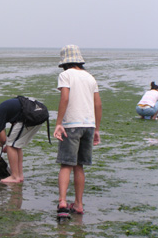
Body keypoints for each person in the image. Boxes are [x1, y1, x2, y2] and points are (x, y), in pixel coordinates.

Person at [53, 45, 102, 219]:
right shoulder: (90, 77)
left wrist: (59, 123)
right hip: (88, 125)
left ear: (64, 62)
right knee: (79, 165)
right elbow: (98, 104)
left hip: (71, 124)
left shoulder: (65, 75)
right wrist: (97, 129)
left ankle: (63, 203)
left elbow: (65, 98)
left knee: (66, 164)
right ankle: (79, 205)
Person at [0, 98, 42, 183]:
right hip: (39, 113)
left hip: (31, 116)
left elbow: (3, 139)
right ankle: (19, 175)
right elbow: (14, 126)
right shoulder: (2, 110)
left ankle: (15, 177)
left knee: (11, 145)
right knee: (16, 144)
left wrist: (1, 143)